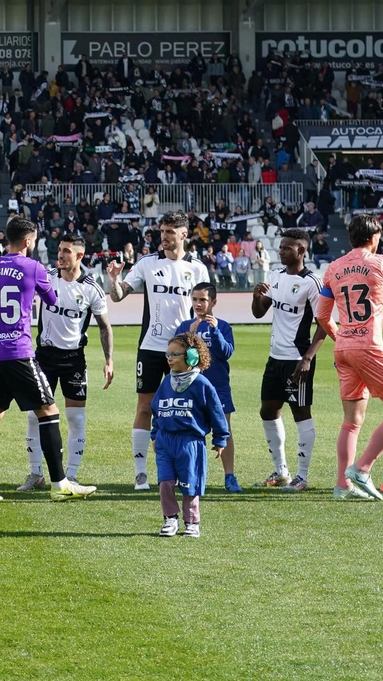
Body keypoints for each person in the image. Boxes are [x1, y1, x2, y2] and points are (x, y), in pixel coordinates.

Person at [0, 216, 96, 503]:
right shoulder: (33, 267)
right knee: (49, 411)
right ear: (29, 241)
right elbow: (53, 301)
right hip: (19, 354)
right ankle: (60, 484)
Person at [296, 215, 383, 502]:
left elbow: (322, 316)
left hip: (343, 347)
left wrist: (342, 336)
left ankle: (341, 486)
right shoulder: (381, 262)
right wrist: (381, 299)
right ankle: (362, 468)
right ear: (374, 237)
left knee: (351, 421)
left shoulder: (333, 268)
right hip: (369, 346)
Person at [105, 211, 210, 491]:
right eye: (162, 232)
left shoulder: (198, 268)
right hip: (151, 347)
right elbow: (118, 295)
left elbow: (206, 306)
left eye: (170, 232)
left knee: (184, 409)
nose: (164, 237)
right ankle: (141, 474)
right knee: (144, 407)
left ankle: (180, 470)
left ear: (184, 235)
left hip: (185, 349)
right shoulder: (147, 263)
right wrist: (113, 279)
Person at [21, 234, 112, 491]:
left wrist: (109, 360)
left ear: (80, 256)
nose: (60, 255)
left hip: (74, 359)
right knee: (33, 415)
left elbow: (105, 327)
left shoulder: (91, 288)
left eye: (66, 251)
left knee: (76, 418)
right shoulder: (46, 277)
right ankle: (35, 473)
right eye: (59, 250)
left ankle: (70, 475)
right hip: (44, 357)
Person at [249, 229, 321, 491]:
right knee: (267, 411)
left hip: (296, 359)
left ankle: (302, 476)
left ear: (301, 251)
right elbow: (259, 313)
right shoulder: (275, 276)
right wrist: (257, 296)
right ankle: (281, 472)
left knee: (301, 413)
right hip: (275, 358)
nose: (280, 251)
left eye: (286, 248)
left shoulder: (312, 283)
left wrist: (308, 358)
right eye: (280, 247)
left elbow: (324, 325)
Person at [150, 331, 229, 538]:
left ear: (192, 356)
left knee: (189, 484)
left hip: (190, 442)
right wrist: (155, 434)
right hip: (166, 441)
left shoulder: (201, 384)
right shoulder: (166, 382)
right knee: (165, 482)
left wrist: (220, 439)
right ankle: (170, 519)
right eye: (168, 354)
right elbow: (156, 410)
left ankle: (192, 522)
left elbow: (216, 414)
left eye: (175, 354)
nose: (169, 358)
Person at [173, 283, 239, 492]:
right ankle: (185, 476)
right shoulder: (185, 325)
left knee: (224, 430)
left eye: (203, 300)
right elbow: (176, 354)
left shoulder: (223, 326)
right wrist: (189, 336)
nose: (198, 304)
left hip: (217, 388)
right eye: (195, 299)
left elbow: (226, 353)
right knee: (187, 432)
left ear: (213, 302)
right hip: (190, 388)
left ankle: (229, 477)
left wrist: (215, 331)